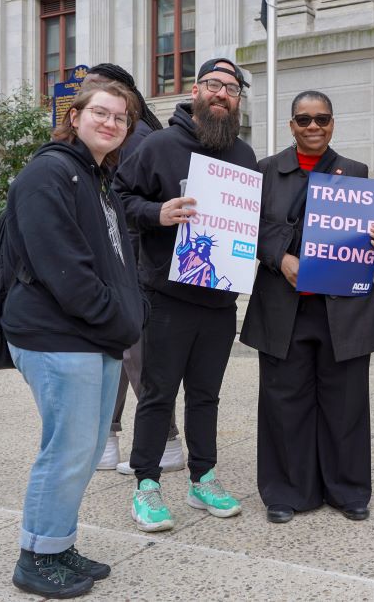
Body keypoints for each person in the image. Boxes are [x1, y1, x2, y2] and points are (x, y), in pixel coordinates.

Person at [2, 79, 144, 598]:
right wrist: (117, 317)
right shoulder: (50, 171)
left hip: (93, 337)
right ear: (75, 116)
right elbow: (62, 266)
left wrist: (131, 311)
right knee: (66, 449)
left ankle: (57, 544)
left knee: (82, 450)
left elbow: (113, 259)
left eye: (121, 118)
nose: (111, 123)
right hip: (58, 335)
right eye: (101, 113)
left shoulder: (96, 178)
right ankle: (35, 557)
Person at [114, 57, 256, 532]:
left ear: (237, 101)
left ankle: (203, 477)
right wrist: (159, 212)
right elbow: (119, 200)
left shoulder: (242, 155)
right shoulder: (157, 146)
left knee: (206, 395)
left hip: (218, 299)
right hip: (166, 295)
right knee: (157, 393)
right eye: (213, 84)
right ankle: (147, 484)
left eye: (231, 89)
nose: (222, 93)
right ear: (195, 91)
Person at [240, 91, 374, 524]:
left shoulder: (359, 174)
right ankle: (287, 491)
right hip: (284, 307)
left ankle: (347, 490)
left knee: (345, 402)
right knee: (284, 402)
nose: (313, 127)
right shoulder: (266, 171)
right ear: (291, 125)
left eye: (321, 119)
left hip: (341, 309)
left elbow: (371, 245)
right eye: (304, 120)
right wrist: (279, 256)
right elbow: (246, 227)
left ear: (332, 124)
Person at [79, 64, 185, 477]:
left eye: (95, 90)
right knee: (119, 352)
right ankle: (109, 438)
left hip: (135, 264)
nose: (89, 101)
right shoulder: (119, 138)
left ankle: (167, 441)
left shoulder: (135, 138)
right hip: (122, 261)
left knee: (137, 356)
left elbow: (127, 203)